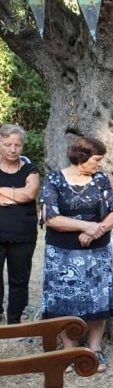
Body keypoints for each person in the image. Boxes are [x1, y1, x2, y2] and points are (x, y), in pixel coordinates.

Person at [41, 137, 113, 373]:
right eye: (96, 160)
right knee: (64, 300)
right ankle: (68, 349)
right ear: (81, 158)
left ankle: (94, 349)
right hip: (62, 255)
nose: (99, 164)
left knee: (98, 299)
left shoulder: (101, 179)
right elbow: (52, 218)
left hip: (96, 252)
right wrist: (85, 227)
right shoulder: (54, 179)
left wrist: (98, 230)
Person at [0, 124, 39, 325]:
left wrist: (3, 193)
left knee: (19, 279)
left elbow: (30, 194)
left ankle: (15, 319)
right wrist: (18, 194)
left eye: (17, 145)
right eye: (7, 144)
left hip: (23, 234)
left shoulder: (30, 169)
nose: (13, 149)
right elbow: (23, 194)